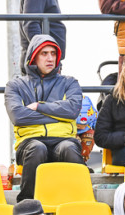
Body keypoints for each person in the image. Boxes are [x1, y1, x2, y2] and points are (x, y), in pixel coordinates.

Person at [5, 35, 84, 201]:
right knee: (37, 148)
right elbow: (18, 116)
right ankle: (27, 205)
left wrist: (39, 106)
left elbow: (72, 111)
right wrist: (59, 115)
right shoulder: (15, 85)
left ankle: (80, 202)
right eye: (44, 53)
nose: (50, 58)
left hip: (63, 140)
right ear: (34, 56)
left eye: (53, 54)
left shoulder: (70, 83)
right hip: (29, 142)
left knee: (69, 148)